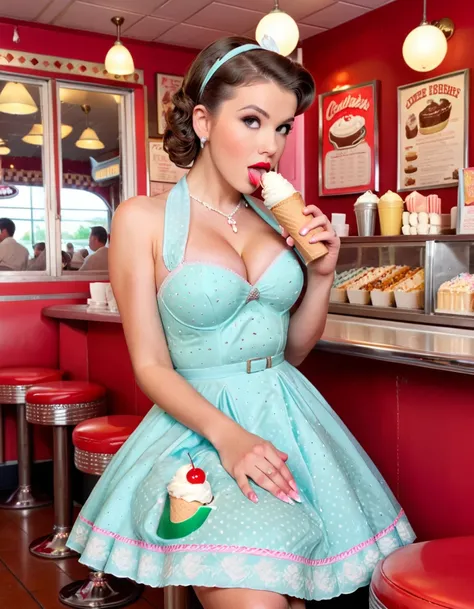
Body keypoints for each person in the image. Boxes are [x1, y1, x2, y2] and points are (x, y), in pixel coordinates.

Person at [67, 37, 414, 607]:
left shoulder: (277, 220)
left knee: (295, 593)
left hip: (293, 423)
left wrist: (322, 274)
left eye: (281, 128)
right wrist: (228, 438)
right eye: (252, 120)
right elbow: (151, 365)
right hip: (198, 432)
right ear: (203, 121)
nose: (270, 145)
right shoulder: (143, 219)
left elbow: (293, 351)